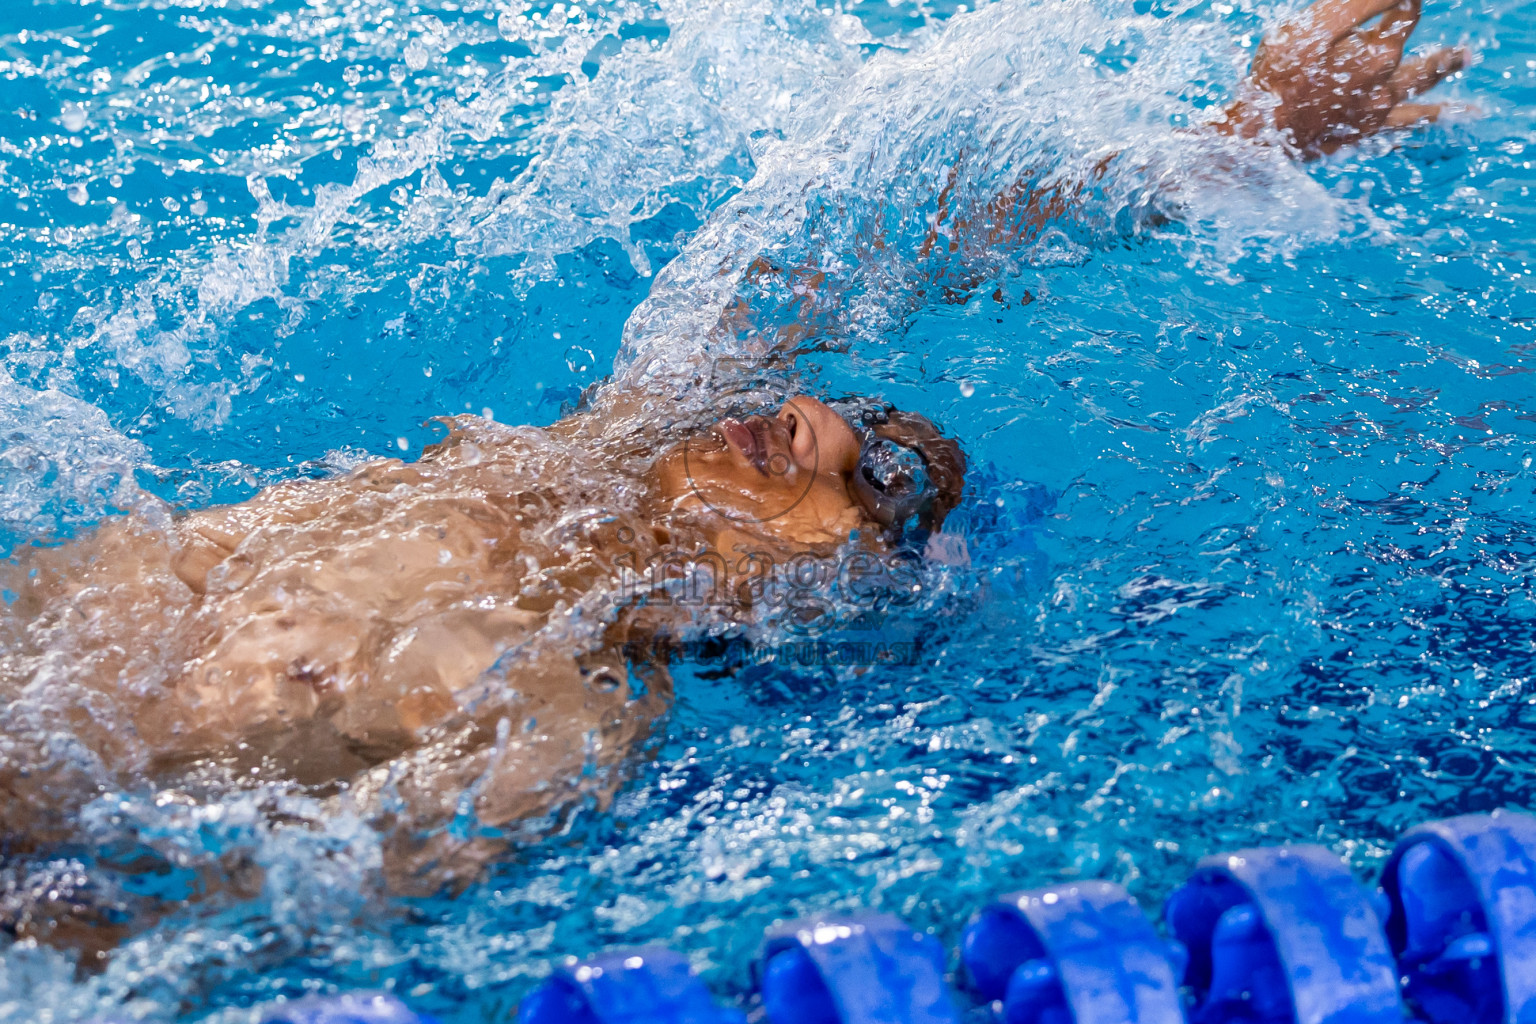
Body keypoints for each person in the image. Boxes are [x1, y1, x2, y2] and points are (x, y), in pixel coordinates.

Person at [0, 0, 1468, 950]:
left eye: (876, 477)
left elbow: (251, 921)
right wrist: (1237, 148)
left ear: (817, 592)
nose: (823, 424)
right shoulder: (590, 445)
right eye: (852, 410)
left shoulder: (568, 715)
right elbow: (924, 245)